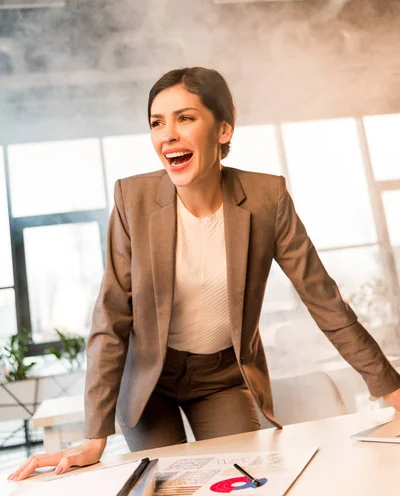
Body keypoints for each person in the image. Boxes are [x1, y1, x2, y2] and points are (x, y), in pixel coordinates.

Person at [9, 67, 400, 481]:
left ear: (224, 128)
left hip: (222, 377)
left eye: (185, 118)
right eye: (157, 122)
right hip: (149, 384)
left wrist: (392, 389)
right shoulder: (132, 199)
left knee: (248, 482)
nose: (168, 135)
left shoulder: (268, 198)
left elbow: (324, 300)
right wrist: (93, 438)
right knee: (175, 485)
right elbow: (110, 319)